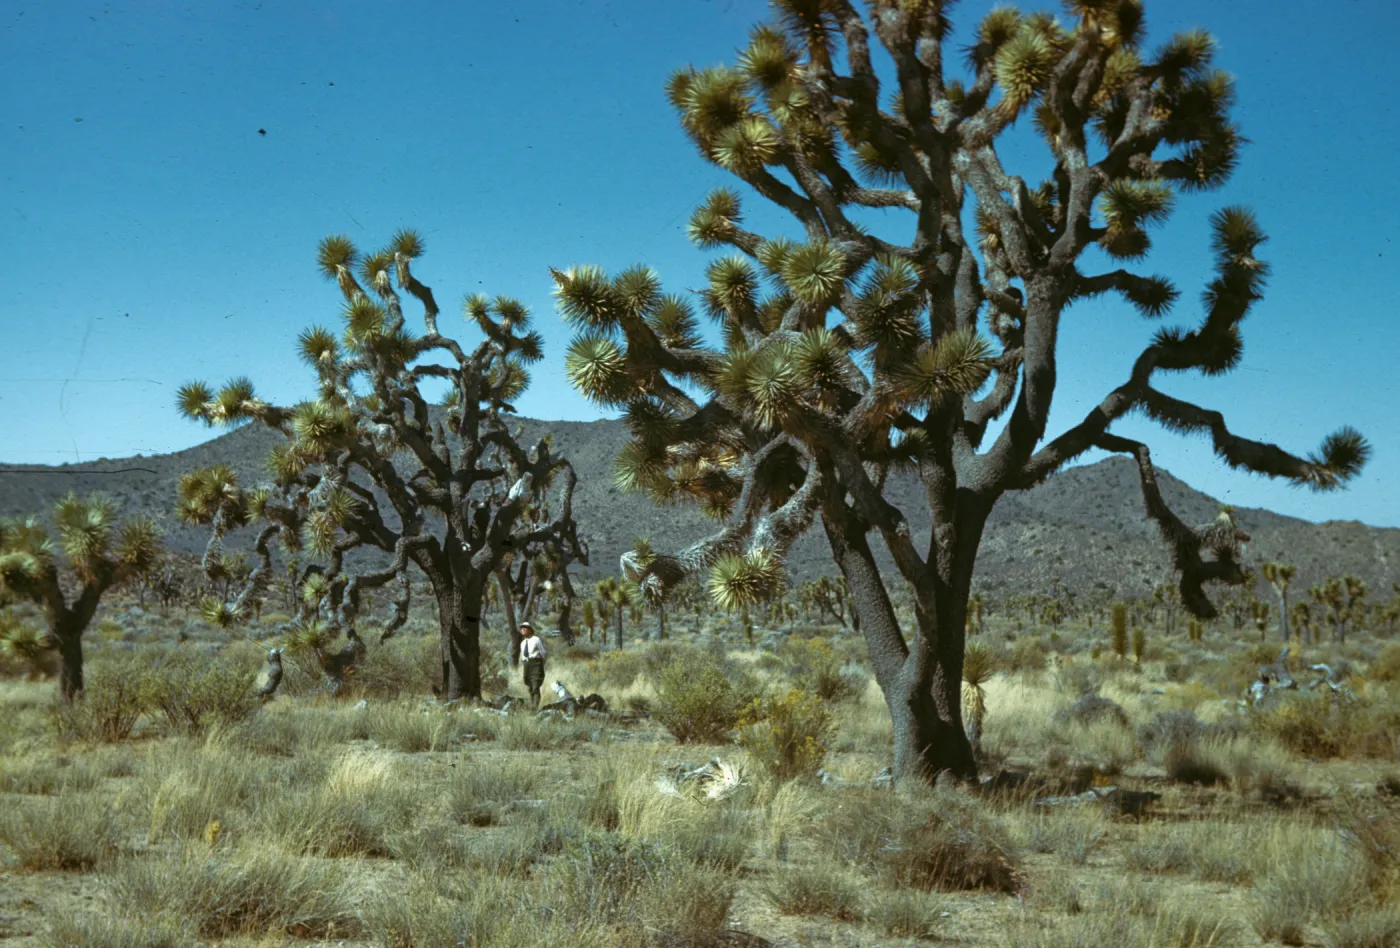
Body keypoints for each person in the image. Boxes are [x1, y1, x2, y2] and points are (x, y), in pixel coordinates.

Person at [519, 621, 547, 708]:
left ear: (530, 630)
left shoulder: (536, 639)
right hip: (527, 665)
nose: (523, 629)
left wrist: (540, 664)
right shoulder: (523, 643)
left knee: (535, 686)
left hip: (536, 664)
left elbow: (544, 653)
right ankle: (532, 706)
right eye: (522, 628)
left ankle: (535, 708)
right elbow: (523, 656)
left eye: (525, 627)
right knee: (529, 686)